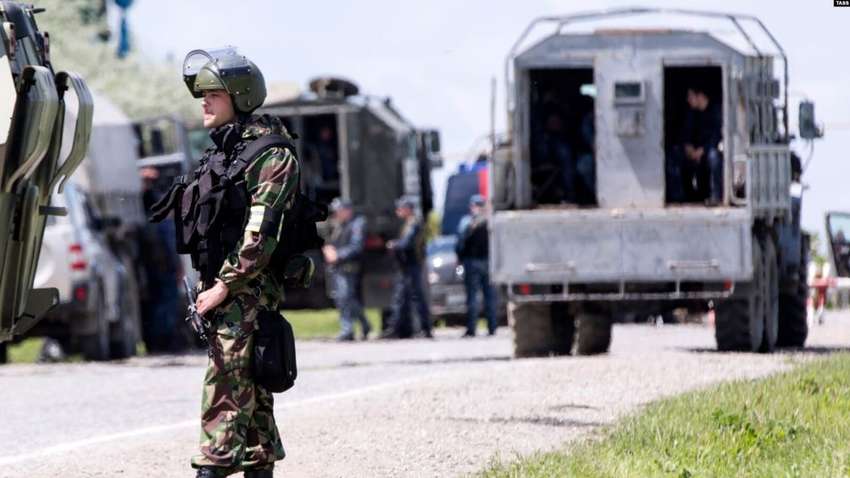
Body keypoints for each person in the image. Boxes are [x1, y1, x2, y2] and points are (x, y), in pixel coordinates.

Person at [155, 48, 298, 478]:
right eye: (202, 94)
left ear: (239, 95)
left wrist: (223, 285)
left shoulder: (272, 156)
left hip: (246, 295)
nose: (204, 102)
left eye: (213, 93)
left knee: (223, 394)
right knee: (252, 409)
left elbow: (261, 234)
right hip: (226, 292)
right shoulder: (225, 152)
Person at [383, 196, 432, 339]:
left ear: (408, 209)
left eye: (401, 208)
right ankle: (399, 329)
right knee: (402, 298)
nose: (398, 210)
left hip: (412, 266)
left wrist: (394, 245)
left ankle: (424, 328)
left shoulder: (414, 224)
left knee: (414, 297)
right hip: (407, 266)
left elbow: (407, 243)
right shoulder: (409, 223)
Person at [323, 197, 370, 341]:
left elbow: (356, 247)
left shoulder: (357, 223)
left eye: (339, 210)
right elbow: (331, 241)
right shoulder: (340, 224)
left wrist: (338, 255)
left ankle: (347, 330)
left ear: (347, 210)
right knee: (346, 298)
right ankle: (365, 324)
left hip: (349, 267)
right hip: (338, 267)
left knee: (344, 297)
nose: (336, 213)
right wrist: (328, 249)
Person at [668, 85, 723, 204]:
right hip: (694, 152)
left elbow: (718, 135)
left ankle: (716, 196)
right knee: (674, 154)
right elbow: (685, 132)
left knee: (714, 157)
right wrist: (688, 146)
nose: (688, 100)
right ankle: (679, 196)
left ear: (700, 96)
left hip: (709, 150)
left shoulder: (716, 111)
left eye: (690, 96)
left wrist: (702, 150)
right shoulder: (692, 113)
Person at [456, 194, 497, 337]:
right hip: (488, 262)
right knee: (489, 297)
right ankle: (492, 328)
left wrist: (459, 258)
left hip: (472, 262)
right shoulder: (490, 221)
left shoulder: (467, 222)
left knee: (472, 298)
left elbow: (460, 242)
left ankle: (472, 329)